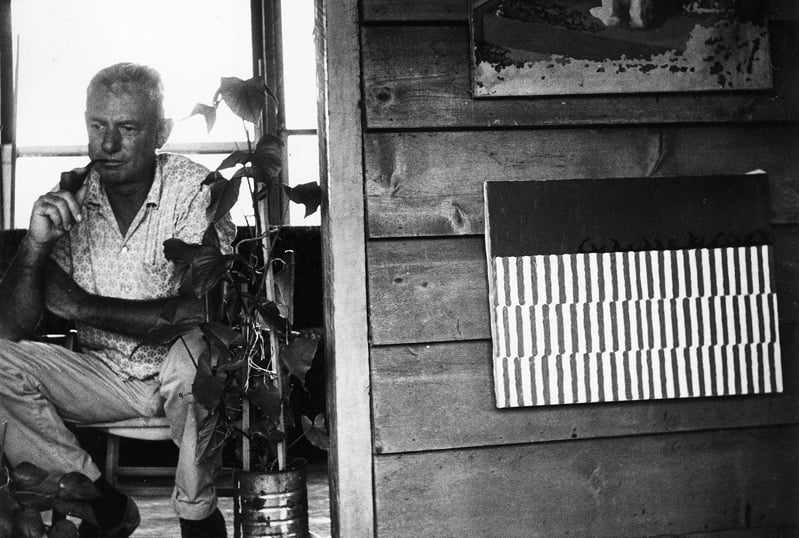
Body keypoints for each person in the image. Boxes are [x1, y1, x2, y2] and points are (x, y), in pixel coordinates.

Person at [0, 63, 235, 538]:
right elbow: (8, 330)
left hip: (181, 368)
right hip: (102, 376)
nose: (107, 145)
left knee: (194, 358)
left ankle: (197, 517)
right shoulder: (72, 196)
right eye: (97, 126)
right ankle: (96, 499)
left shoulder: (197, 190)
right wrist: (36, 243)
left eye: (127, 128)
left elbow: (201, 311)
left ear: (160, 133)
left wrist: (84, 307)